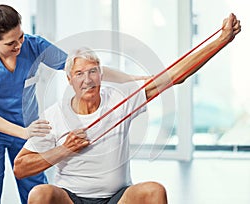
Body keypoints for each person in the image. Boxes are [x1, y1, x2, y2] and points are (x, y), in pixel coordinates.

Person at [13, 13, 241, 204]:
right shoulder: (54, 116)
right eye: (80, 74)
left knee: (154, 191)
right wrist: (63, 149)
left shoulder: (121, 98)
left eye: (93, 71)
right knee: (40, 194)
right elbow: (20, 168)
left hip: (117, 197)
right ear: (69, 79)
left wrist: (222, 39)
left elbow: (174, 76)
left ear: (102, 75)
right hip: (71, 198)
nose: (88, 80)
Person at [0, 4, 144, 204]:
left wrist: (137, 79)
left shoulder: (34, 45)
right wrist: (23, 133)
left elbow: (80, 66)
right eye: (10, 43)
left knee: (34, 187)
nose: (19, 45)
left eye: (21, 37)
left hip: (28, 124)